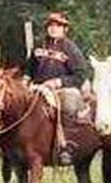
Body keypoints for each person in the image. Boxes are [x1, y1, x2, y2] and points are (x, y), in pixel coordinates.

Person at [28, 11, 91, 164]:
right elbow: (29, 68)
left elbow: (81, 74)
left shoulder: (70, 48)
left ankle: (65, 145)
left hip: (62, 89)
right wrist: (26, 78)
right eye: (51, 25)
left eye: (58, 26)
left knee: (68, 105)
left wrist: (58, 82)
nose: (53, 29)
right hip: (39, 87)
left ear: (65, 29)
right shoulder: (39, 45)